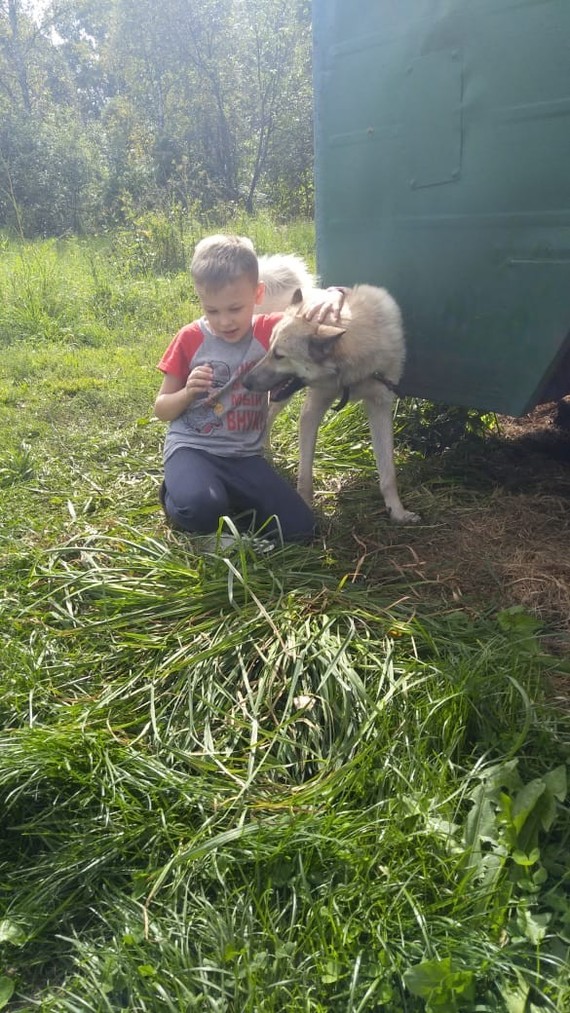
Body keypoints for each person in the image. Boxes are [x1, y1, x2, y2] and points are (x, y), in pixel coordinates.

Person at [154, 234, 342, 545]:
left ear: (258, 294)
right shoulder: (189, 338)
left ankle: (222, 497)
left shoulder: (271, 330)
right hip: (193, 448)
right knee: (201, 507)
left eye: (235, 308)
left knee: (300, 529)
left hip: (244, 457)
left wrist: (335, 294)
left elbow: (317, 309)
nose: (224, 321)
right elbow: (161, 408)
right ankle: (178, 494)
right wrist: (187, 393)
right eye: (212, 310)